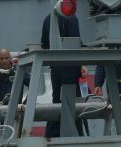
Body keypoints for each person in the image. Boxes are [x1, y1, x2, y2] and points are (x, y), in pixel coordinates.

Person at [40, 2, 81, 137]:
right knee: (73, 104)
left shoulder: (48, 19)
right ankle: (77, 135)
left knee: (57, 101)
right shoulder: (71, 18)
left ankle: (51, 135)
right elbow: (76, 43)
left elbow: (44, 44)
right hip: (70, 69)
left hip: (56, 69)